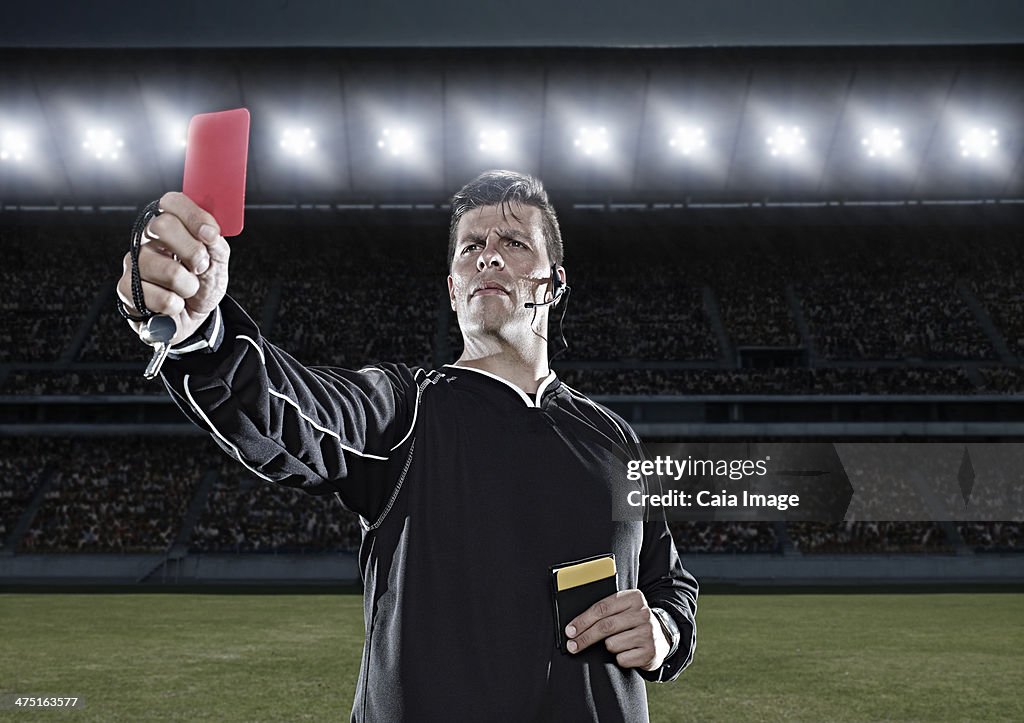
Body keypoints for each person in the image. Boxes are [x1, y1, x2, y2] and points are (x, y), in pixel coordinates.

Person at [117, 170, 698, 721]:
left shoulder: (615, 438)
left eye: (515, 242)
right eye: (470, 247)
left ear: (556, 281)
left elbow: (667, 582)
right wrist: (205, 336)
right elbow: (291, 410)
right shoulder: (405, 409)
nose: (488, 254)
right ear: (453, 289)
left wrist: (664, 633)